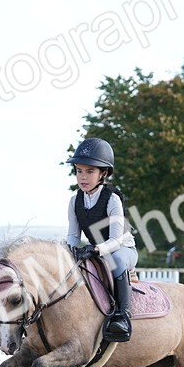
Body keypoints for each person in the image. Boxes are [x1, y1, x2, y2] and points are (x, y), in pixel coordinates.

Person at [65, 137, 139, 342]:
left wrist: (95, 250)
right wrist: (67, 253)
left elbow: (116, 240)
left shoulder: (112, 199)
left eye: (90, 171)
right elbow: (73, 235)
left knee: (115, 262)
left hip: (123, 251)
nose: (83, 177)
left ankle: (122, 317)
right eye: (79, 171)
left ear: (103, 173)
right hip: (97, 249)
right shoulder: (74, 200)